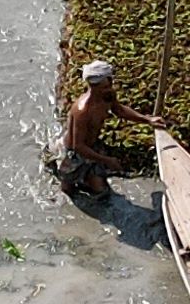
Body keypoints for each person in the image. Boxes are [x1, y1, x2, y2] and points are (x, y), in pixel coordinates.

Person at [57, 60, 144, 200]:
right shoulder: (82, 111)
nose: (109, 85)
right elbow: (78, 146)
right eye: (105, 84)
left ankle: (89, 177)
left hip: (92, 145)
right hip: (76, 152)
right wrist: (107, 160)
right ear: (94, 86)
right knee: (68, 189)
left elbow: (120, 110)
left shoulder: (107, 95)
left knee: (101, 191)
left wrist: (147, 120)